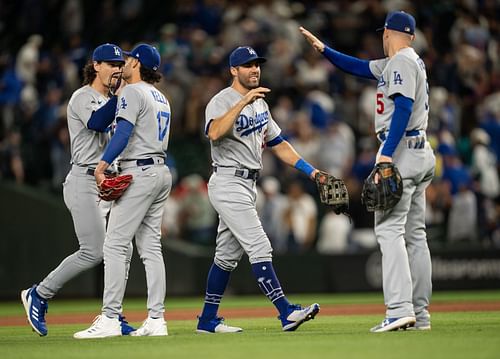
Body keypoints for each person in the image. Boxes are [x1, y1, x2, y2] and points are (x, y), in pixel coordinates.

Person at [301, 11, 435, 332]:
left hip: (400, 149)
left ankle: (400, 309)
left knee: (389, 232)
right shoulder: (404, 62)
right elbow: (359, 67)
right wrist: (324, 49)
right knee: (415, 235)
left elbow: (402, 106)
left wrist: (386, 154)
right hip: (420, 151)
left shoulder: (401, 61)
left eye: (383, 33)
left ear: (388, 32)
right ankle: (421, 315)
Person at [196, 46, 321, 334]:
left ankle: (207, 320)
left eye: (257, 65)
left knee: (226, 257)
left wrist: (311, 171)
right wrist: (242, 102)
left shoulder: (260, 104)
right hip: (227, 181)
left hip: (248, 183)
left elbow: (279, 145)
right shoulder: (221, 101)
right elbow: (214, 132)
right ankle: (286, 312)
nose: (254, 69)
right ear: (233, 70)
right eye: (247, 65)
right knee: (260, 246)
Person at [21, 43, 134, 337]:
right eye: (111, 64)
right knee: (94, 251)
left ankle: (114, 315)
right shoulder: (82, 97)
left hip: (107, 182)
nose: (117, 69)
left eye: (120, 64)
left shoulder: (114, 98)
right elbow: (98, 122)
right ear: (96, 65)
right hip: (84, 179)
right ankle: (40, 293)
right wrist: (122, 95)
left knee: (122, 248)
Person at [73, 43, 172, 338]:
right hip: (161, 170)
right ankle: (157, 319)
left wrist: (102, 166)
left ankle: (110, 318)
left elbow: (124, 132)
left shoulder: (132, 91)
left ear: (137, 63)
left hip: (138, 170)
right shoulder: (161, 97)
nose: (123, 63)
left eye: (128, 59)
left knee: (114, 244)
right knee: (151, 247)